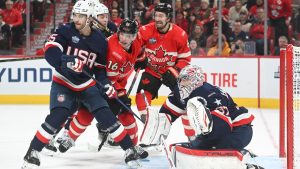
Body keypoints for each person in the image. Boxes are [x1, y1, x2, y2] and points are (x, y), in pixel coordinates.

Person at [21, 1, 141, 168]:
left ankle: (130, 150)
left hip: (86, 85)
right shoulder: (65, 30)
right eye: (75, 15)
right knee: (59, 115)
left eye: (81, 16)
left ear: (90, 18)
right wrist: (66, 61)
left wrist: (106, 84)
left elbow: (99, 69)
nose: (76, 19)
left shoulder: (100, 40)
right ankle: (32, 153)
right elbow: (50, 52)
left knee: (105, 114)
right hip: (63, 82)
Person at [56, 19, 148, 159]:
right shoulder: (114, 50)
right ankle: (70, 138)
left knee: (127, 116)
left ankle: (133, 146)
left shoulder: (136, 42)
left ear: (135, 36)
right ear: (118, 33)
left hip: (115, 85)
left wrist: (142, 58)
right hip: (98, 84)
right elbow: (108, 79)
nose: (125, 39)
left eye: (129, 36)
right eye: (123, 34)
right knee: (86, 114)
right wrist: (121, 94)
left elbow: (139, 51)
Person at [134, 3, 191, 146]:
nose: (157, 19)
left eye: (161, 16)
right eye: (156, 15)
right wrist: (140, 58)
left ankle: (193, 137)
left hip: (171, 72)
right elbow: (133, 47)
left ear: (168, 18)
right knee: (141, 96)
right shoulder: (145, 30)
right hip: (152, 70)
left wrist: (175, 71)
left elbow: (185, 58)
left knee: (186, 102)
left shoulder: (180, 34)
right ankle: (151, 131)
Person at [159, 65, 254, 150]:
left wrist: (202, 144)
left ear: (195, 80)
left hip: (239, 131)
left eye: (185, 79)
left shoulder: (206, 92)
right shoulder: (198, 91)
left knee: (195, 105)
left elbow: (222, 125)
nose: (181, 84)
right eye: (181, 80)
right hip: (236, 131)